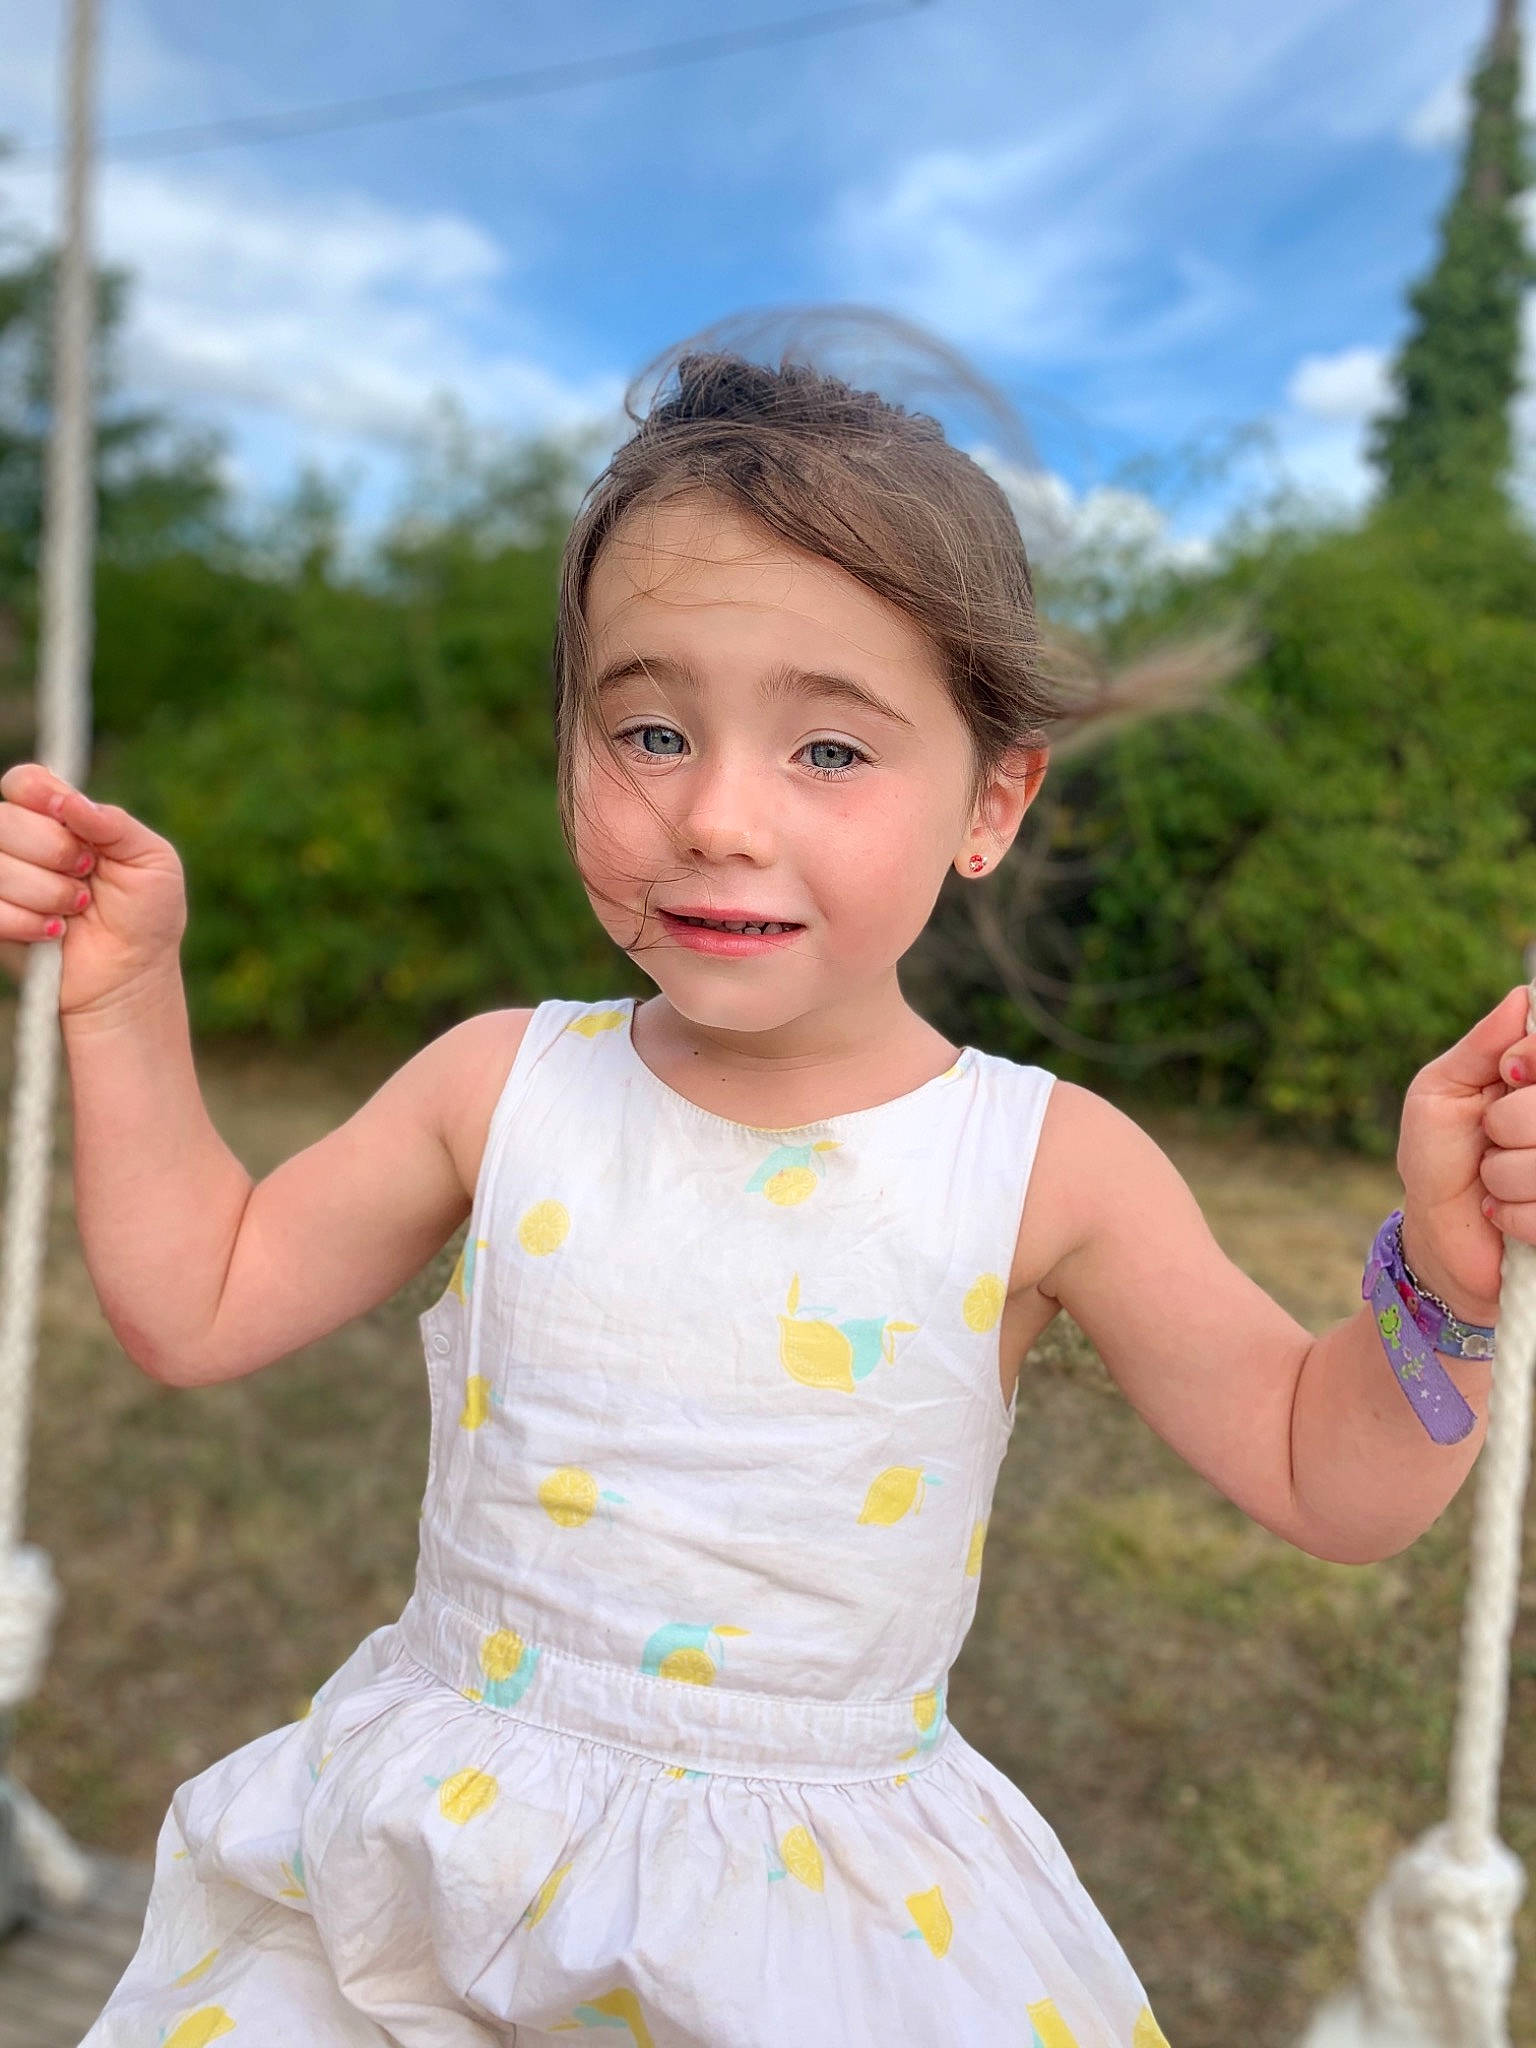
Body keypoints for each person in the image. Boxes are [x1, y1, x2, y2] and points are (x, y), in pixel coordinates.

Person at [4, 350, 1532, 2048]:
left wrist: (1449, 1285)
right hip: (423, 1878)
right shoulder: (499, 1085)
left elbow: (1332, 1475)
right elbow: (198, 1301)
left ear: (993, 802)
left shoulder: (1041, 1163)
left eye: (827, 747)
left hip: (819, 1927)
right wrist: (128, 1003)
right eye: (650, 730)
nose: (718, 817)